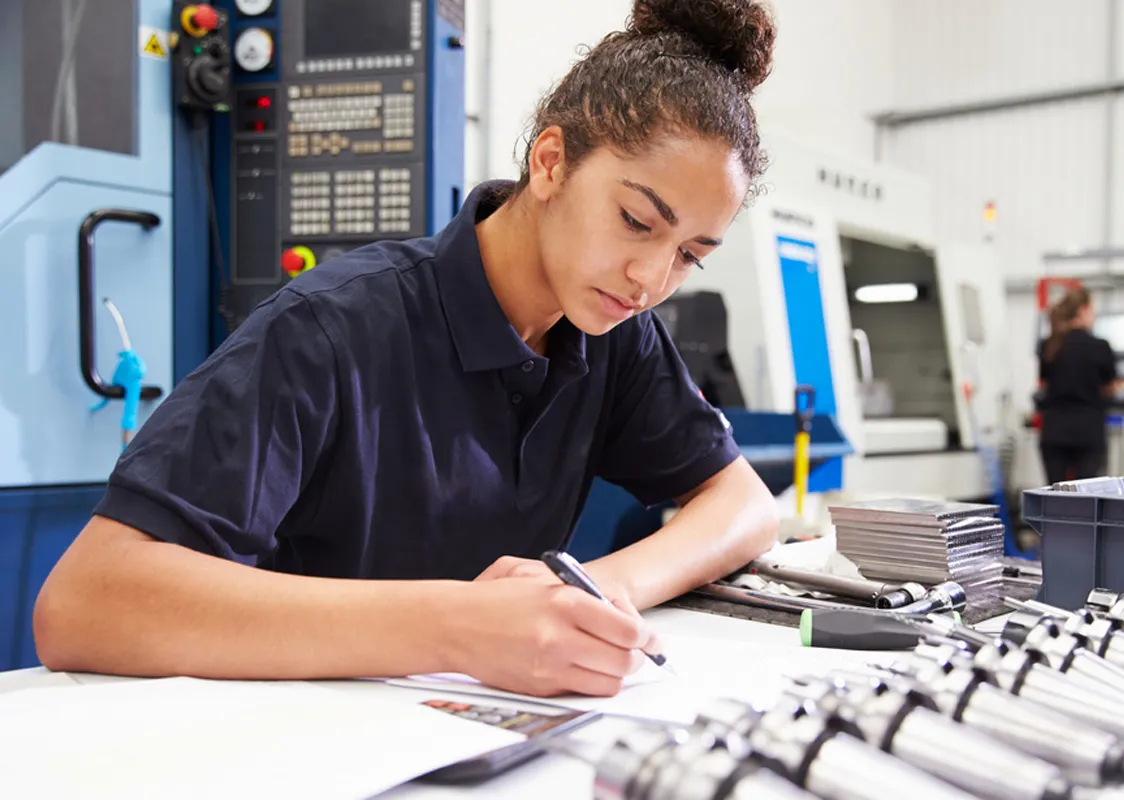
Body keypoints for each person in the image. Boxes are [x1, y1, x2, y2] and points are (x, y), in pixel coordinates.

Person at [33, 0, 781, 698]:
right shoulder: (333, 327)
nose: (651, 280)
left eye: (690, 255)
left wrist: (597, 586)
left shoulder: (614, 336)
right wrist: (458, 627)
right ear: (551, 162)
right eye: (635, 221)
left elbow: (742, 504)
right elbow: (84, 602)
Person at [1036, 287, 1121, 484]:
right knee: (1085, 495)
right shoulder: (1100, 346)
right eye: (1092, 310)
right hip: (1087, 431)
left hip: (1053, 430)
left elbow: (1045, 383)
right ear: (1082, 311)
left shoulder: (1048, 345)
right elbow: (1110, 387)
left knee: (1053, 493)